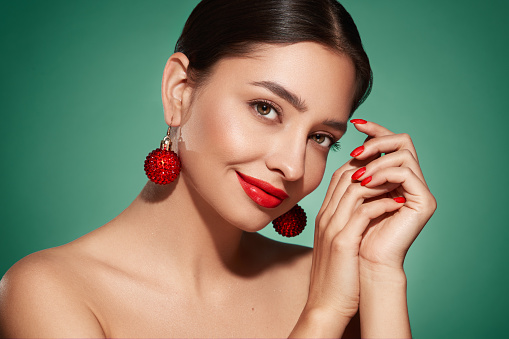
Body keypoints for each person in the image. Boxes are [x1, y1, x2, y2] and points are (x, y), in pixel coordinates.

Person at [0, 0, 436, 337]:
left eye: (321, 137)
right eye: (266, 108)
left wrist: (379, 275)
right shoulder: (51, 292)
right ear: (180, 92)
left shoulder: (334, 281)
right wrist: (320, 318)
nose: (291, 164)